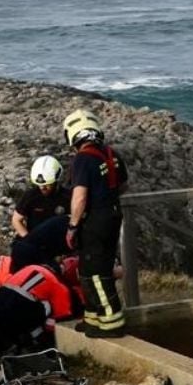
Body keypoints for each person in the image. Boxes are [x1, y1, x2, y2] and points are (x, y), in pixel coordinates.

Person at [63, 110, 128, 337]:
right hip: (112, 215)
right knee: (88, 269)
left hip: (95, 222)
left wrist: (72, 226)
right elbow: (122, 184)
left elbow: (79, 197)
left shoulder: (83, 159)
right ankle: (93, 319)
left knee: (97, 273)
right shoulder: (112, 154)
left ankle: (111, 322)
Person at [12, 157, 67, 238]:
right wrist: (29, 239)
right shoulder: (30, 196)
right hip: (36, 242)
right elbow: (16, 220)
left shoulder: (67, 197)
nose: (42, 187)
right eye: (39, 185)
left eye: (46, 185)